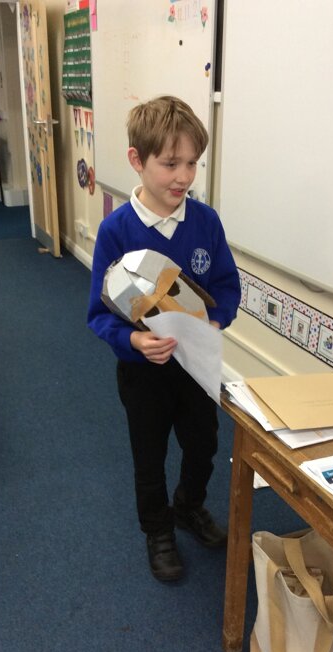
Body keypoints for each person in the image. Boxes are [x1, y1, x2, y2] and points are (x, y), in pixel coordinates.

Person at [87, 96, 241, 582]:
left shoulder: (205, 222)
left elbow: (226, 287)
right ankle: (157, 530)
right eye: (171, 164)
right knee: (149, 456)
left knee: (203, 446)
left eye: (192, 163)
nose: (183, 176)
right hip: (143, 373)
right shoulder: (116, 230)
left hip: (196, 366)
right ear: (137, 159)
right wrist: (133, 343)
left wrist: (216, 320)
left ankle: (189, 507)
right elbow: (99, 314)